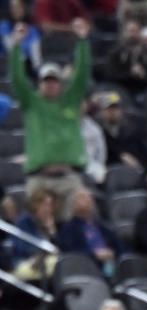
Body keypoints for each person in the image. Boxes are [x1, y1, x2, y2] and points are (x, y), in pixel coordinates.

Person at [11, 25, 90, 213]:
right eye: (46, 81)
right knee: (39, 225)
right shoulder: (31, 103)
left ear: (60, 84)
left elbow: (82, 74)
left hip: (69, 177)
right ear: (39, 84)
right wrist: (16, 47)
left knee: (80, 216)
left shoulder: (70, 102)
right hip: (39, 179)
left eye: (54, 81)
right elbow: (17, 79)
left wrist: (82, 42)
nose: (50, 85)